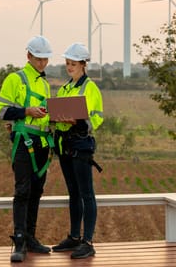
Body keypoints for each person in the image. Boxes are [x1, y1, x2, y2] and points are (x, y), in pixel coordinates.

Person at [0, 36, 54, 263]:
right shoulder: (14, 79)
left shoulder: (45, 83)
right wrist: (26, 111)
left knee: (37, 191)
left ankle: (30, 237)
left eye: (45, 59)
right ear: (28, 56)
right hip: (23, 142)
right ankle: (19, 241)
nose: (42, 63)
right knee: (22, 191)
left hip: (42, 143)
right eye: (38, 59)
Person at [52, 42, 103, 259]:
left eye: (73, 63)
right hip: (65, 146)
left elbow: (97, 119)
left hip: (81, 146)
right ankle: (74, 237)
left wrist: (78, 122)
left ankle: (88, 241)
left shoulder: (90, 88)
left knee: (86, 194)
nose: (69, 67)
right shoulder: (64, 88)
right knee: (73, 193)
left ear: (83, 64)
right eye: (67, 63)